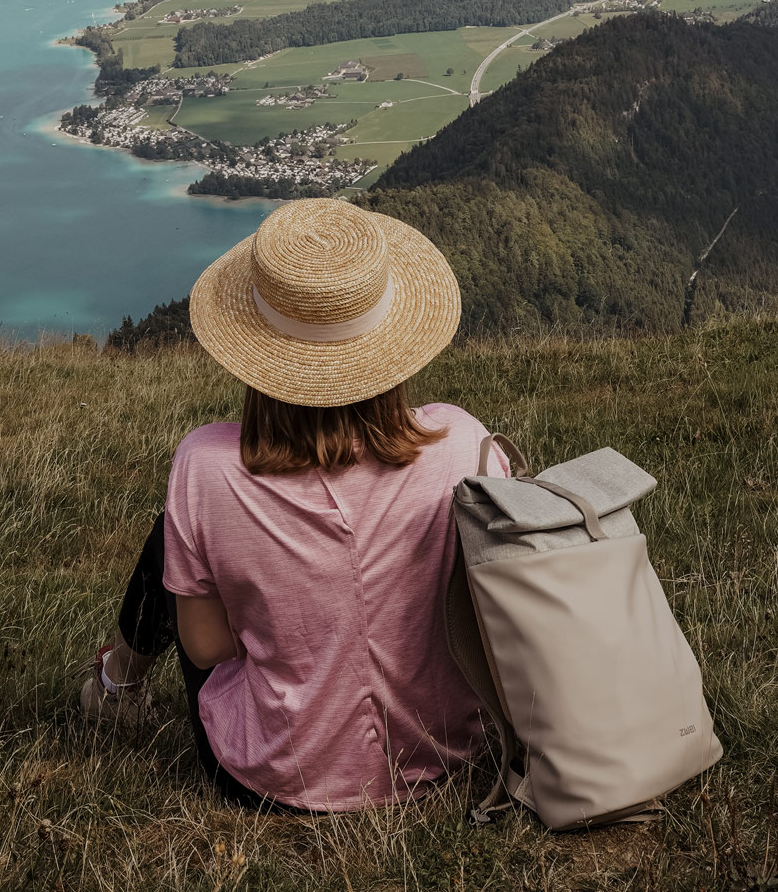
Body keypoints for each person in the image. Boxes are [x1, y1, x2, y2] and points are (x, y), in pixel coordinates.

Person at [80, 197, 509, 812]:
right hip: (450, 754)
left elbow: (204, 648)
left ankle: (118, 683)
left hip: (276, 780)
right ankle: (119, 677)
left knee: (178, 533)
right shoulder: (466, 444)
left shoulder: (206, 465)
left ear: (258, 355)